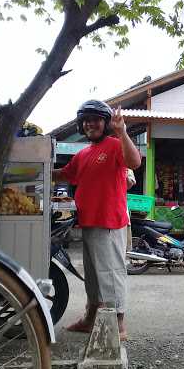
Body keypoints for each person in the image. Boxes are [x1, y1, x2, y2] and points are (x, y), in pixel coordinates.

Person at [53, 100, 141, 341]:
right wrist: (35, 168)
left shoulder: (114, 145)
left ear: (105, 122)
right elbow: (63, 174)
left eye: (96, 119)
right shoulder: (82, 154)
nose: (90, 124)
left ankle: (119, 325)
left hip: (109, 222)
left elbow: (134, 162)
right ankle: (90, 318)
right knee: (93, 275)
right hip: (90, 223)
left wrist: (122, 131)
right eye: (86, 120)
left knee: (111, 273)